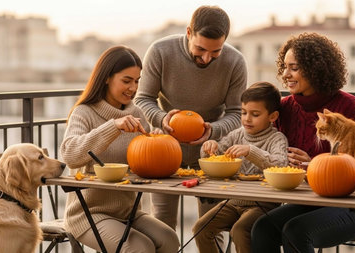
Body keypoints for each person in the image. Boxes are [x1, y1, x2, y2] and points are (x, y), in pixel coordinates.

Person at [251, 32, 355, 253]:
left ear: (315, 69)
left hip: (353, 207)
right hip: (307, 200)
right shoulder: (285, 107)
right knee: (262, 227)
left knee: (296, 231)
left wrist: (315, 166)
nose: (285, 74)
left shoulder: (348, 108)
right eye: (285, 67)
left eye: (294, 68)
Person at [134, 5, 248, 232]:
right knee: (163, 223)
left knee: (210, 227)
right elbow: (143, 98)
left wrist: (213, 130)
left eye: (215, 51)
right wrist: (162, 118)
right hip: (163, 152)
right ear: (189, 33)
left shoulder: (236, 62)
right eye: (200, 49)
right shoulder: (160, 51)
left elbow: (237, 112)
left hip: (212, 153)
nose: (206, 58)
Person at [60, 46, 179, 253]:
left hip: (128, 211)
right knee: (140, 248)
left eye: (136, 81)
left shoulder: (138, 114)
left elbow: (145, 159)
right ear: (106, 78)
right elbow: (70, 155)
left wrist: (157, 142)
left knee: (169, 239)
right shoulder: (84, 113)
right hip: (88, 214)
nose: (133, 88)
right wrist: (113, 127)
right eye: (126, 81)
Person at [192, 82, 289, 253]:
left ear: (272, 116)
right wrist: (209, 147)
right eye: (244, 112)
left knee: (240, 231)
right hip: (232, 202)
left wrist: (251, 151)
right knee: (201, 228)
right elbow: (217, 155)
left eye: (255, 114)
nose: (247, 119)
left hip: (263, 205)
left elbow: (280, 164)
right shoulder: (236, 134)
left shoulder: (277, 139)